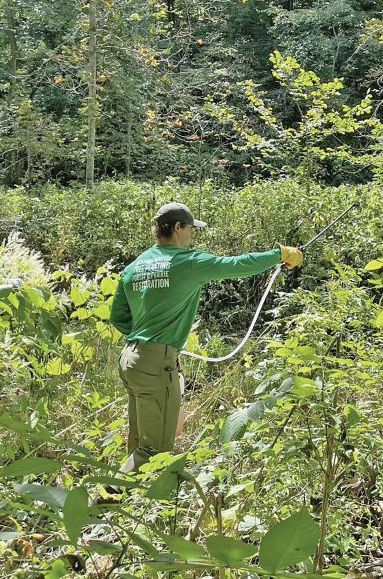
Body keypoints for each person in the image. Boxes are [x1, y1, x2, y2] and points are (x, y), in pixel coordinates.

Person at [109, 202, 303, 473]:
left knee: (139, 444)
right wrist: (279, 254)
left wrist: (147, 337)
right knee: (153, 453)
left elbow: (118, 317)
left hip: (131, 359)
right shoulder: (188, 262)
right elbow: (236, 265)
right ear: (178, 228)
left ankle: (126, 509)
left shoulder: (135, 267)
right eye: (190, 229)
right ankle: (97, 508)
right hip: (154, 364)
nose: (192, 236)